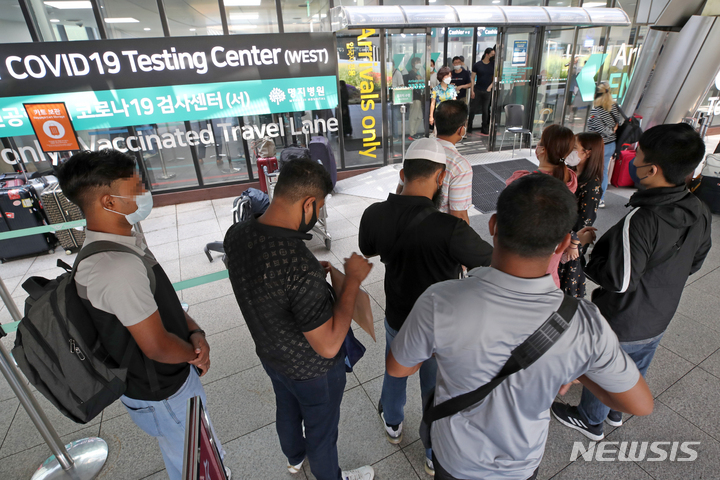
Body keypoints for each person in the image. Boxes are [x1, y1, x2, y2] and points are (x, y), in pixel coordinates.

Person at [387, 173, 654, 480]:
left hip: (455, 458)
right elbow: (640, 403)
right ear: (564, 243)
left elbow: (398, 368)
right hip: (522, 463)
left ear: (493, 225)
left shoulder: (440, 300)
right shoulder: (584, 322)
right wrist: (577, 372)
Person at [55, 150, 228, 480]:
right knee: (197, 466)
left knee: (194, 453)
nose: (144, 191)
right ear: (109, 201)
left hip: (167, 381)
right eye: (136, 186)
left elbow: (162, 302)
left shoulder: (123, 242)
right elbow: (157, 346)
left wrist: (195, 331)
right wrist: (194, 355)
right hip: (162, 391)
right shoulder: (114, 267)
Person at [553, 123, 713, 441]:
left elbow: (617, 279)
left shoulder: (641, 220)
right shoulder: (699, 209)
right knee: (636, 364)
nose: (632, 162)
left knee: (607, 368)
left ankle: (590, 419)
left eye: (636, 156)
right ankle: (616, 410)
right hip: (661, 313)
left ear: (651, 170)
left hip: (623, 319)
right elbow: (695, 262)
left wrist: (581, 253)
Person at [223, 159, 375, 480]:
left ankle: (294, 458)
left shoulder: (236, 234)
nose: (317, 213)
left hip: (271, 356)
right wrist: (353, 284)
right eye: (318, 207)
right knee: (322, 433)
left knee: (287, 409)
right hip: (313, 373)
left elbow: (263, 278)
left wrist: (310, 284)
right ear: (308, 203)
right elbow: (330, 345)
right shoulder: (298, 264)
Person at [359, 138, 493, 476]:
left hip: (398, 315)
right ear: (442, 177)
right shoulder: (450, 229)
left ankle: (392, 423)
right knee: (435, 386)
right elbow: (490, 262)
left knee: (395, 369)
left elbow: (367, 247)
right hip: (439, 325)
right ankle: (433, 452)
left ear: (403, 173)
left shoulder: (374, 215)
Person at [506, 124, 594, 288]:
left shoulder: (521, 182)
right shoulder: (570, 180)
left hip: (522, 266)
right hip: (551, 266)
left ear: (542, 150)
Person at [558, 132, 604, 298]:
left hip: (571, 242)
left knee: (565, 283)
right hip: (558, 235)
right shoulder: (569, 173)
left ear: (587, 153)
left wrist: (574, 244)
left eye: (575, 148)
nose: (570, 151)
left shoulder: (591, 185)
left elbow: (586, 220)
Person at [435, 100, 474, 224]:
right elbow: (459, 215)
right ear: (461, 130)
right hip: (439, 233)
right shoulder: (460, 166)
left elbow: (400, 191)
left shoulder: (415, 149)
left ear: (436, 123)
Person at [586, 81, 624, 208]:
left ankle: (593, 197)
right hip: (611, 145)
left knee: (594, 171)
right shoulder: (614, 107)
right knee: (603, 171)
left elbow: (600, 129)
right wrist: (614, 129)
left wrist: (610, 130)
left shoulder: (597, 110)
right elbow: (621, 121)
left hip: (599, 145)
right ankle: (601, 198)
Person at [469, 47, 495, 134]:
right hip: (477, 89)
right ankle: (469, 127)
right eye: (492, 54)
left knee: (485, 110)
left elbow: (497, 77)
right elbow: (472, 78)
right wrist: (472, 90)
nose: (493, 56)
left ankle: (484, 128)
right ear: (487, 54)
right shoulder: (477, 65)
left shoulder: (493, 64)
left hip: (487, 91)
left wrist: (490, 87)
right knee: (473, 109)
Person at [407, 57, 425, 139]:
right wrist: (418, 80)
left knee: (419, 117)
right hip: (414, 97)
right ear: (413, 64)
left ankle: (414, 132)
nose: (419, 64)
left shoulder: (418, 74)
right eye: (417, 62)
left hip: (419, 97)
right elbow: (410, 86)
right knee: (413, 116)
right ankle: (412, 134)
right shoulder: (411, 74)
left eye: (420, 62)